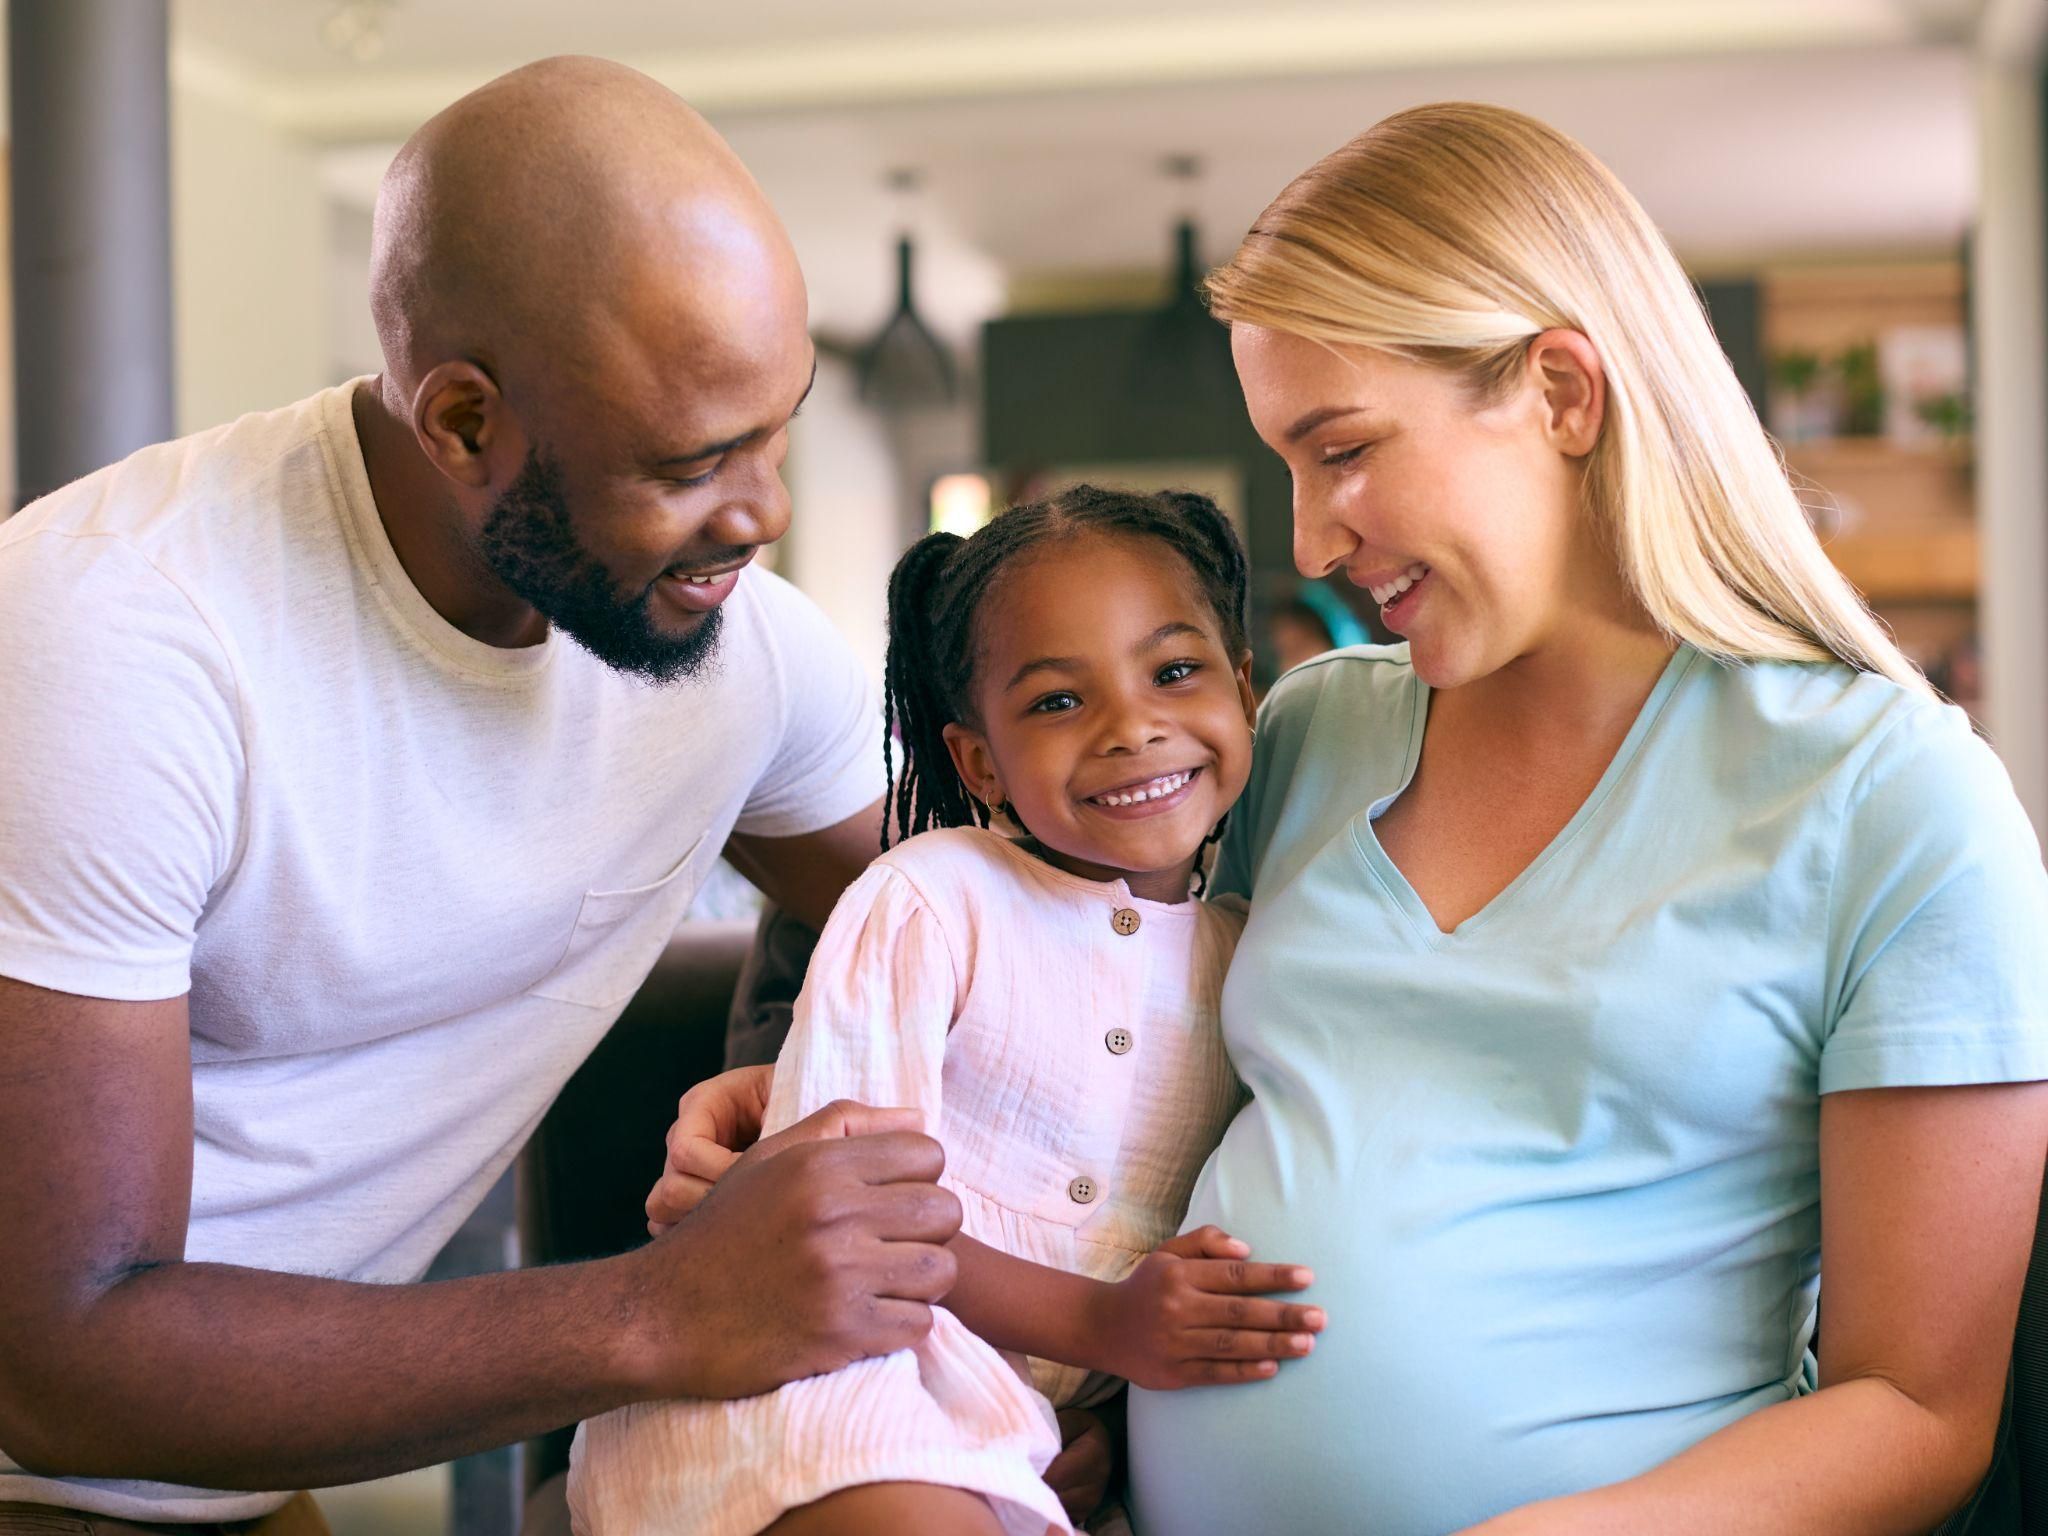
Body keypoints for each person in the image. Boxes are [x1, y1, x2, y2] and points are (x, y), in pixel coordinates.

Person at [657, 104, 2048, 1536]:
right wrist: (805, 1105)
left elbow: (1919, 1413)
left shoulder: (1894, 803)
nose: (1313, 541)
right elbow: (1083, 1023)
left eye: (1344, 451)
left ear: (1564, 394)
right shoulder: (1315, 734)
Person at [0, 58, 963, 1531]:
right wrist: (665, 1313)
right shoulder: (115, 642)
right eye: (692, 461)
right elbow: (58, 1363)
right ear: (462, 424)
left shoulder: (742, 657)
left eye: (778, 430)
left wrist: (1027, 1383)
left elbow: (994, 938)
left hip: (227, 1495)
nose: (764, 511)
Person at [577, 487, 1323, 1536]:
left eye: (1173, 672)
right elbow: (846, 1225)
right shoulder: (931, 899)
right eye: (1058, 702)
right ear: (979, 761)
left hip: (1025, 1431)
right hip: (835, 1374)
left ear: (1242, 689)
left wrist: (1101, 1409)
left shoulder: (1251, 956)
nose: (1132, 727)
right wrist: (1104, 1326)